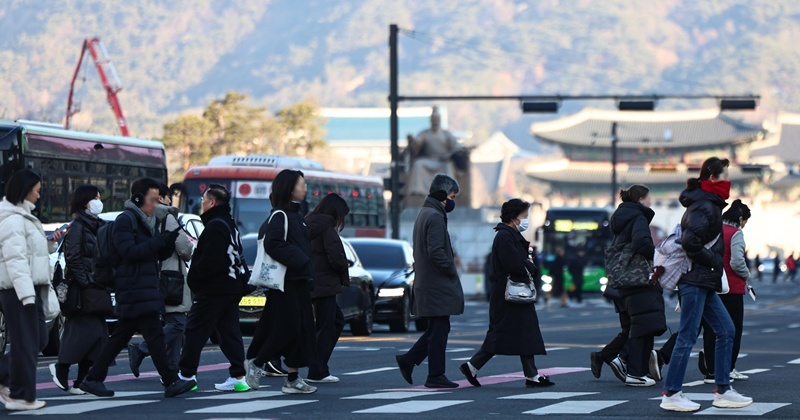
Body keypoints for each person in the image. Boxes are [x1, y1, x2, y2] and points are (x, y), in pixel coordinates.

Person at [79, 178, 195, 398]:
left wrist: (167, 241)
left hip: (143, 288)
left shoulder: (147, 221)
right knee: (152, 336)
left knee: (122, 337)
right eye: (153, 199)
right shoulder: (126, 220)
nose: (156, 204)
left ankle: (93, 379)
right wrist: (159, 241)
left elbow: (153, 254)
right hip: (133, 287)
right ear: (139, 198)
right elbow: (130, 252)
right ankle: (170, 380)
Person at [660, 157, 753, 412]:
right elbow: (691, 242)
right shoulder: (704, 205)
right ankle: (672, 393)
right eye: (725, 176)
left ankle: (723, 390)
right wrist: (713, 261)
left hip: (705, 279)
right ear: (713, 177)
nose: (728, 181)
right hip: (696, 279)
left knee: (726, 330)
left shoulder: (708, 204)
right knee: (688, 335)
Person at [459, 199, 554, 388]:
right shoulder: (504, 237)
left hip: (513, 294)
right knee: (508, 333)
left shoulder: (510, 235)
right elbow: (514, 264)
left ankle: (529, 374)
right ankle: (474, 366)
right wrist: (530, 266)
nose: (526, 220)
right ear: (513, 218)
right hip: (509, 295)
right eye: (524, 216)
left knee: (519, 333)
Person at [245, 169, 317, 394]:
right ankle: (257, 363)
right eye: (301, 184)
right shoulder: (280, 216)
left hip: (299, 282)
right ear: (289, 189)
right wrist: (301, 261)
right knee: (289, 330)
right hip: (286, 283)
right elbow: (273, 244)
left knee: (301, 331)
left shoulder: (297, 216)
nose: (305, 188)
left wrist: (307, 272)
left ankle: (293, 379)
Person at [177, 184, 250, 392]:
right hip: (230, 287)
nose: (201, 204)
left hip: (214, 289)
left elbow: (210, 261)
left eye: (203, 200)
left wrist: (195, 278)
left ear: (212, 202)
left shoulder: (215, 226)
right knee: (229, 333)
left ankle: (186, 375)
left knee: (194, 330)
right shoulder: (229, 224)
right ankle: (238, 377)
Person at [0, 169, 62, 410]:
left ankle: (9, 384)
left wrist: (49, 243)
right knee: (26, 342)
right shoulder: (13, 220)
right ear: (25, 190)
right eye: (37, 190)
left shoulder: (23, 217)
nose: (39, 195)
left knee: (38, 339)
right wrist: (26, 295)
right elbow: (15, 260)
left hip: (29, 288)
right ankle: (21, 397)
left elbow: (29, 253)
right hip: (19, 291)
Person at [395, 173, 464, 389]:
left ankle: (409, 360)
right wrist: (451, 269)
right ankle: (435, 374)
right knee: (439, 330)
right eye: (452, 196)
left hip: (429, 282)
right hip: (436, 284)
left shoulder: (425, 213)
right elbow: (436, 252)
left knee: (438, 329)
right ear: (443, 195)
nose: (452, 201)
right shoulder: (434, 216)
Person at [603, 185, 666, 387]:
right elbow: (641, 243)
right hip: (638, 278)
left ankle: (635, 368)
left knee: (640, 324)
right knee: (643, 326)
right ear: (640, 199)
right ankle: (634, 372)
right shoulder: (638, 217)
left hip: (626, 279)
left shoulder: (621, 218)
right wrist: (658, 255)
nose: (650, 202)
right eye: (648, 198)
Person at [129, 184, 193, 376]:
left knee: (172, 323)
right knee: (177, 323)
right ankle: (142, 349)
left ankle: (172, 369)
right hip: (171, 277)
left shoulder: (141, 216)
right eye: (166, 196)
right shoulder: (167, 216)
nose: (168, 200)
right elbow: (184, 247)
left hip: (153, 275)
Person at [50, 186, 109, 396]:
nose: (99, 202)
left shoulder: (99, 225)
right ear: (85, 202)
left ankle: (81, 381)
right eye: (95, 198)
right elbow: (73, 257)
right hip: (83, 288)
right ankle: (62, 368)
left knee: (97, 335)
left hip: (97, 285)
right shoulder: (77, 226)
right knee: (85, 332)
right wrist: (86, 282)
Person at [698, 200, 752, 383]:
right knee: (733, 329)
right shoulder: (736, 233)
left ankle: (711, 370)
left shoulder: (714, 229)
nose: (744, 225)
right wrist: (746, 275)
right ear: (740, 218)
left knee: (711, 329)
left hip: (711, 285)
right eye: (745, 221)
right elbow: (737, 261)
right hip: (732, 288)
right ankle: (729, 368)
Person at [305, 193, 350, 384]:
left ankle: (317, 365)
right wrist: (343, 272)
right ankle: (317, 370)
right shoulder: (327, 229)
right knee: (328, 326)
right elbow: (336, 257)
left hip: (312, 282)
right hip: (326, 285)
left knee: (332, 322)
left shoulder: (308, 223)